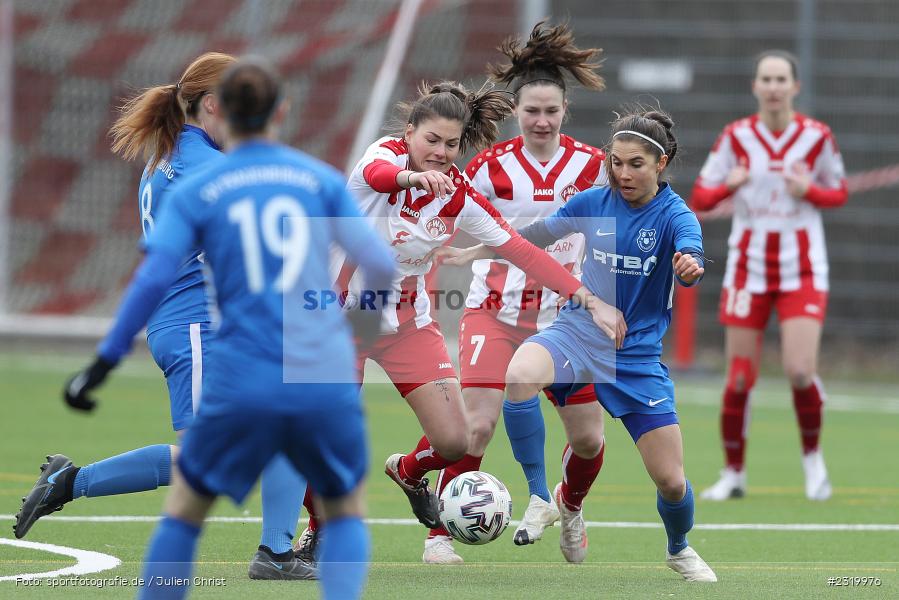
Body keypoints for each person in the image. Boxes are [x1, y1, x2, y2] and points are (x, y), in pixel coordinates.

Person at [63, 57, 393, 600]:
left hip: (236, 357)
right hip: (292, 354)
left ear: (224, 111)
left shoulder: (199, 179)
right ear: (280, 112)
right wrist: (358, 335)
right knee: (343, 505)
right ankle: (279, 554)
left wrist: (103, 360)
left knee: (188, 504)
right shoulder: (312, 177)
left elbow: (151, 278)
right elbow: (377, 264)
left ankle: (273, 552)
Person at [13, 52, 318, 580]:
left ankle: (276, 553)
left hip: (204, 325)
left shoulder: (173, 156)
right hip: (196, 326)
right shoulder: (208, 167)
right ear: (213, 104)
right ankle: (71, 483)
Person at [329, 80, 617, 554]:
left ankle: (409, 472)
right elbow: (381, 175)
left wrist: (589, 298)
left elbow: (525, 251)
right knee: (333, 434)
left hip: (407, 321)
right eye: (431, 141)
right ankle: (316, 536)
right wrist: (410, 178)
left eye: (450, 144)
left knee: (456, 438)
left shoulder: (459, 195)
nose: (441, 153)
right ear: (409, 134)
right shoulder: (384, 156)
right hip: (346, 319)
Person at [440, 108, 717, 580]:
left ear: (662, 164)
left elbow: (691, 248)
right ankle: (540, 497)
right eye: (616, 162)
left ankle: (677, 548)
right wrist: (476, 250)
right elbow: (529, 240)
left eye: (636, 164)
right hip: (578, 334)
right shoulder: (593, 201)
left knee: (671, 482)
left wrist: (691, 264)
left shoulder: (674, 215)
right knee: (521, 375)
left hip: (635, 358)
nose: (623, 173)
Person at [421, 21, 609, 565]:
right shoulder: (488, 166)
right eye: (532, 111)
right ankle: (439, 536)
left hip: (565, 321)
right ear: (515, 112)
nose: (542, 120)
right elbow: (443, 212)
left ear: (565, 111)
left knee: (591, 441)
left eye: (551, 111)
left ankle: (567, 507)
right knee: (475, 424)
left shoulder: (594, 167)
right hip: (493, 313)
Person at [691, 50, 847, 502]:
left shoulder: (817, 137)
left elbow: (837, 192)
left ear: (795, 87)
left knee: (800, 370)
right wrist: (730, 185)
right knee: (739, 377)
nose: (774, 87)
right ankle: (734, 472)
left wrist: (809, 190)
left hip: (802, 270)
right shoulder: (736, 136)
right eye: (767, 78)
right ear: (755, 87)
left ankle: (814, 462)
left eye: (782, 79)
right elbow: (701, 195)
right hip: (747, 269)